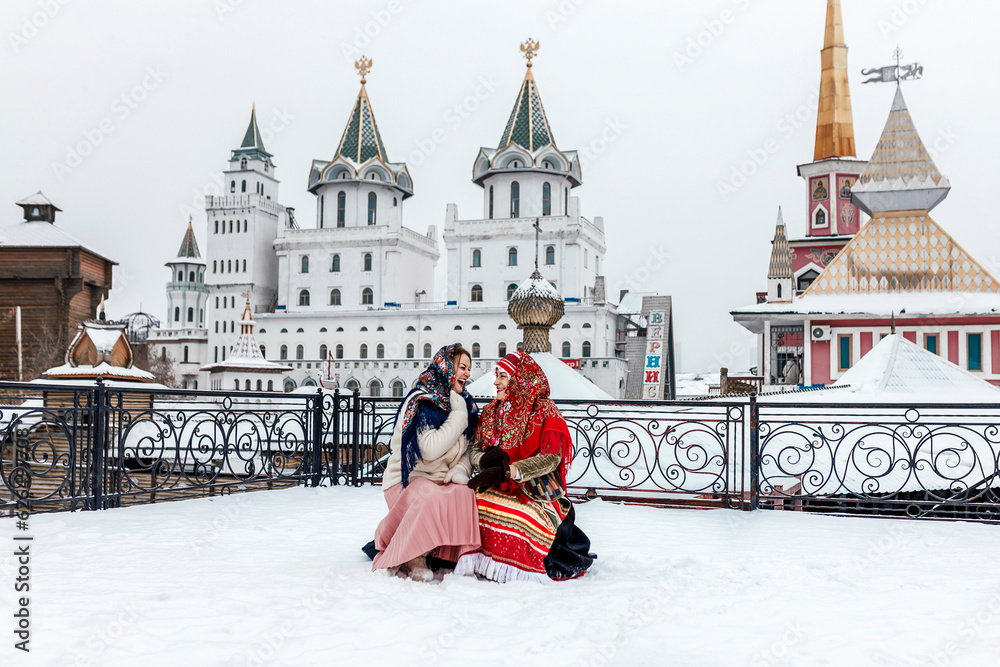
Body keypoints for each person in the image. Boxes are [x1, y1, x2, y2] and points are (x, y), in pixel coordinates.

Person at [455, 351, 595, 583]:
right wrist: (485, 461)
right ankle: (473, 560)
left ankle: (515, 568)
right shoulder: (491, 412)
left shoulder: (544, 410)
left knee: (524, 517)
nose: (496, 381)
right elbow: (475, 450)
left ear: (520, 379)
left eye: (502, 376)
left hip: (538, 490)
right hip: (496, 484)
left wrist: (511, 471)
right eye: (496, 375)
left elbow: (551, 458)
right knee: (467, 505)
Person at [370, 344, 480, 581]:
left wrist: (461, 469)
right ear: (446, 368)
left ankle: (450, 557)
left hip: (438, 482)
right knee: (428, 493)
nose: (467, 374)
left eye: (469, 369)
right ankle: (412, 557)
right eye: (462, 367)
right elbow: (429, 450)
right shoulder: (422, 401)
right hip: (406, 483)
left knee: (464, 493)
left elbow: (468, 450)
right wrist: (458, 417)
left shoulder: (464, 403)